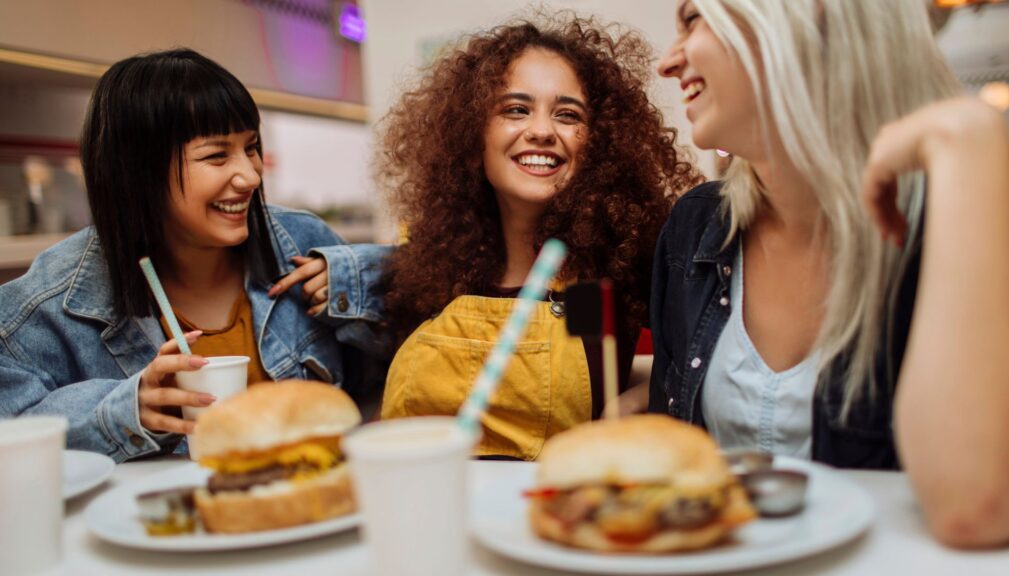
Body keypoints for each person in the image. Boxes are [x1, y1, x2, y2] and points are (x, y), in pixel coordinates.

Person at [650, 0, 1009, 547]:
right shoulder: (695, 225)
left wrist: (968, 135)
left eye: (692, 19)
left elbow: (973, 510)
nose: (667, 61)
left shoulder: (969, 211)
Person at [0, 49, 390, 462]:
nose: (251, 176)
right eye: (216, 155)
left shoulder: (300, 240)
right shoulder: (52, 301)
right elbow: (12, 432)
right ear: (139, 173)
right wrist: (123, 413)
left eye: (251, 147)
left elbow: (399, 364)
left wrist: (362, 282)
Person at [375, 12, 701, 460]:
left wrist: (636, 402)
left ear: (598, 141)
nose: (543, 131)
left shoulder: (611, 272)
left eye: (568, 115)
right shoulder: (428, 268)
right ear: (474, 133)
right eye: (516, 109)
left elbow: (688, 368)